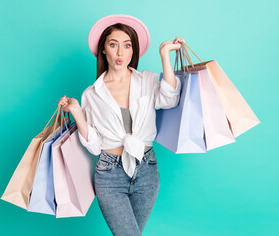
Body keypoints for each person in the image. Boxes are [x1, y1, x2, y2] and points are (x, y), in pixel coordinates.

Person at [58, 14, 184, 236]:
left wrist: (164, 54)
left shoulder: (146, 79)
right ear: (103, 49)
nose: (120, 52)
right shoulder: (92, 94)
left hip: (147, 170)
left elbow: (170, 98)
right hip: (109, 174)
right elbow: (95, 146)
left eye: (127, 45)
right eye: (113, 45)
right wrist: (77, 111)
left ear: (133, 50)